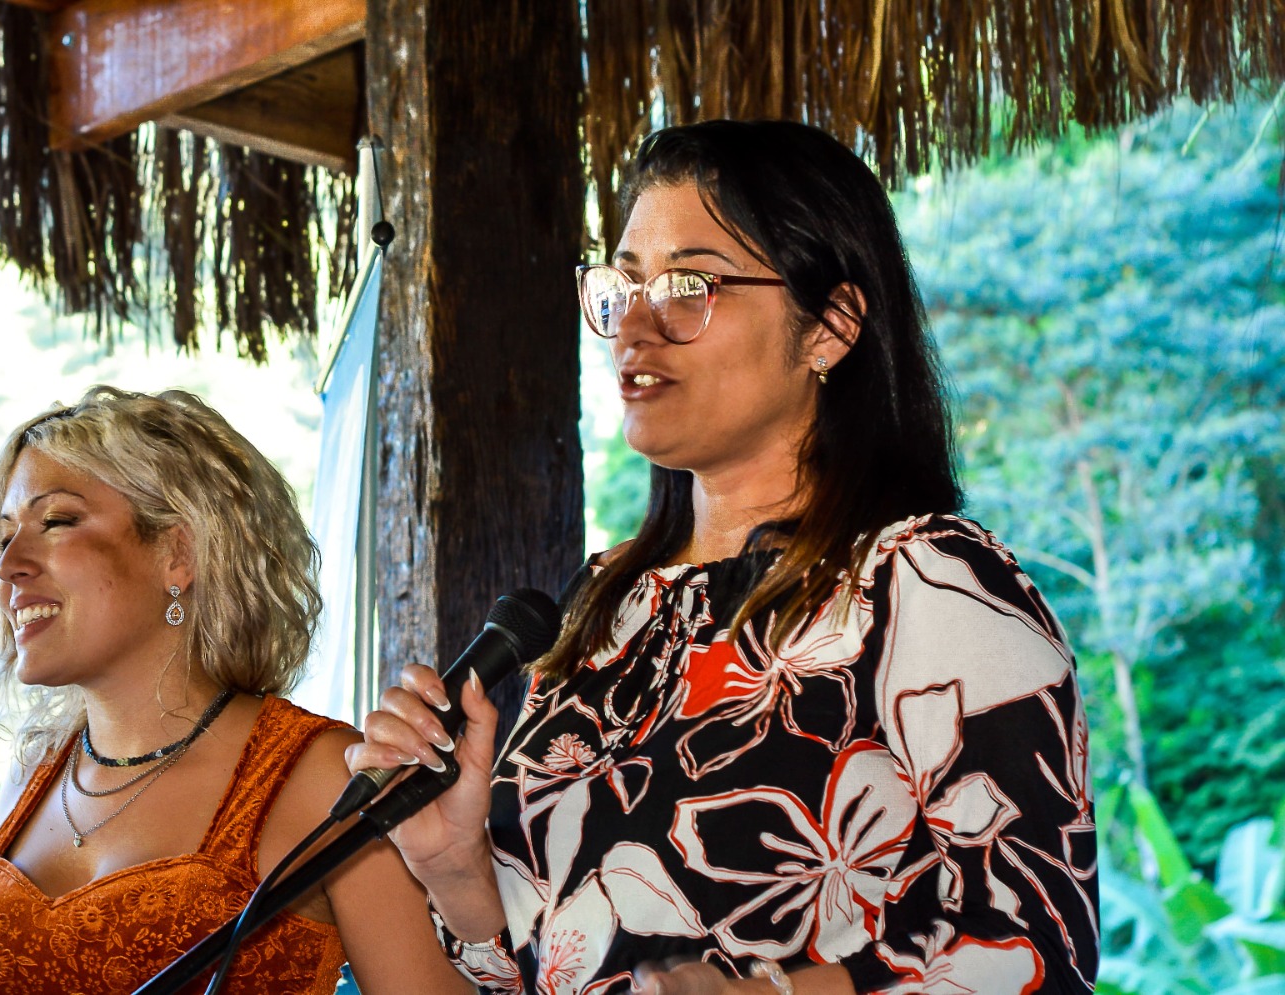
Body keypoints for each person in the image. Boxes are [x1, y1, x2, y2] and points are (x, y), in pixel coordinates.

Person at [348, 120, 1099, 994]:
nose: (633, 325)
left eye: (687, 286)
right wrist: (456, 869)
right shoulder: (606, 603)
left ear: (830, 327)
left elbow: (1040, 944)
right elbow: (543, 971)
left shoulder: (927, 581)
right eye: (622, 286)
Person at [0, 386, 472, 995]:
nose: (7, 564)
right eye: (4, 536)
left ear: (178, 553)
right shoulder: (33, 773)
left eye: (57, 522)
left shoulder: (325, 777)